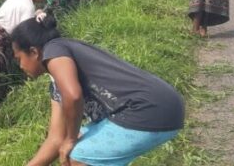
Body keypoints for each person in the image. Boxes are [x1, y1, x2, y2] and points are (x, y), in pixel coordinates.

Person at [11, 16, 184, 166]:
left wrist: (70, 139)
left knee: (77, 155)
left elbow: (73, 96)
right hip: (155, 106)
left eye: (19, 59)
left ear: (34, 52)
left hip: (150, 109)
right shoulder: (57, 83)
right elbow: (56, 139)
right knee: (78, 142)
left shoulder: (54, 49)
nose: (20, 66)